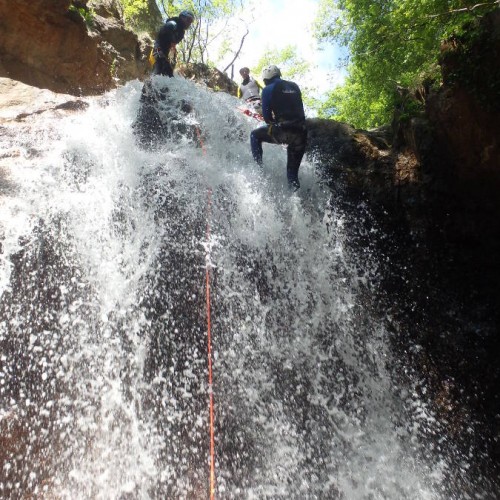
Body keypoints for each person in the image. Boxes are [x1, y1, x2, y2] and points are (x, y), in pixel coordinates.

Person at [250, 65, 307, 191]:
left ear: (265, 79)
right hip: (301, 133)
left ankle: (258, 170)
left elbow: (267, 118)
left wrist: (272, 119)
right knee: (292, 176)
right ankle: (297, 203)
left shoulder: (267, 89)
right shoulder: (294, 86)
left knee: (254, 135)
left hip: (283, 130)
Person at [150, 10, 195, 77]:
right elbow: (161, 36)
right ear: (182, 17)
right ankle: (149, 84)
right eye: (188, 20)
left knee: (169, 73)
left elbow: (172, 44)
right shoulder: (172, 24)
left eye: (190, 22)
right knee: (161, 68)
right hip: (157, 50)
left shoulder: (181, 32)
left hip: (164, 53)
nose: (189, 23)